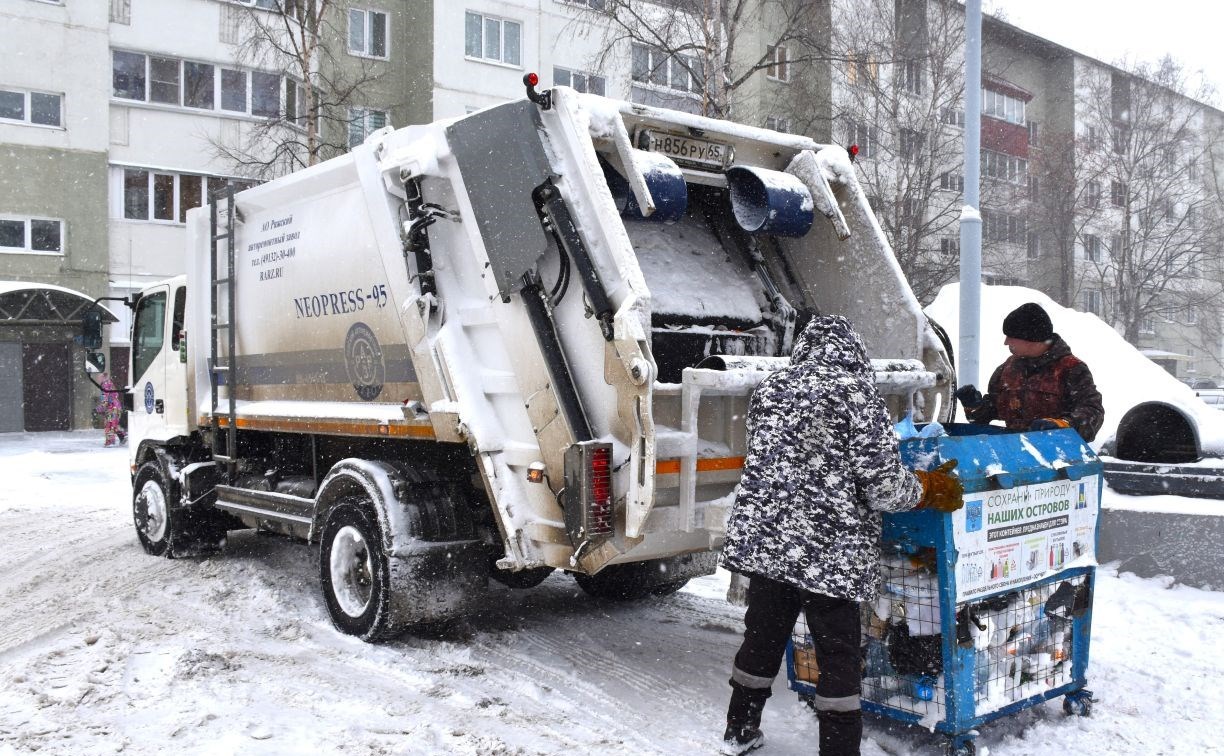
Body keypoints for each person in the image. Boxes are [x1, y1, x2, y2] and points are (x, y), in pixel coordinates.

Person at [719, 315, 965, 756]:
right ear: (852, 351)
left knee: (762, 639)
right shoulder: (856, 395)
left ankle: (740, 728)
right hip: (828, 554)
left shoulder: (772, 389)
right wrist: (927, 488)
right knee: (838, 656)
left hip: (769, 545)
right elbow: (883, 486)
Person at [956, 302, 1104, 442]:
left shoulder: (1071, 369)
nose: (1006, 342)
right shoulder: (1007, 369)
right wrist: (975, 406)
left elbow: (1093, 412)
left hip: (1059, 458)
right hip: (1014, 456)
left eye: (1011, 337)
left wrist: (1062, 426)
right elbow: (989, 413)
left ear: (1031, 339)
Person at [96, 373, 126, 447]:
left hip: (112, 408)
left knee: (109, 425)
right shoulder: (110, 383)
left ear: (103, 377)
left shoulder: (105, 385)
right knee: (113, 424)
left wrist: (99, 408)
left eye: (99, 377)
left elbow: (105, 400)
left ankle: (110, 442)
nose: (97, 379)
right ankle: (122, 436)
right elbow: (114, 395)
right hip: (116, 406)